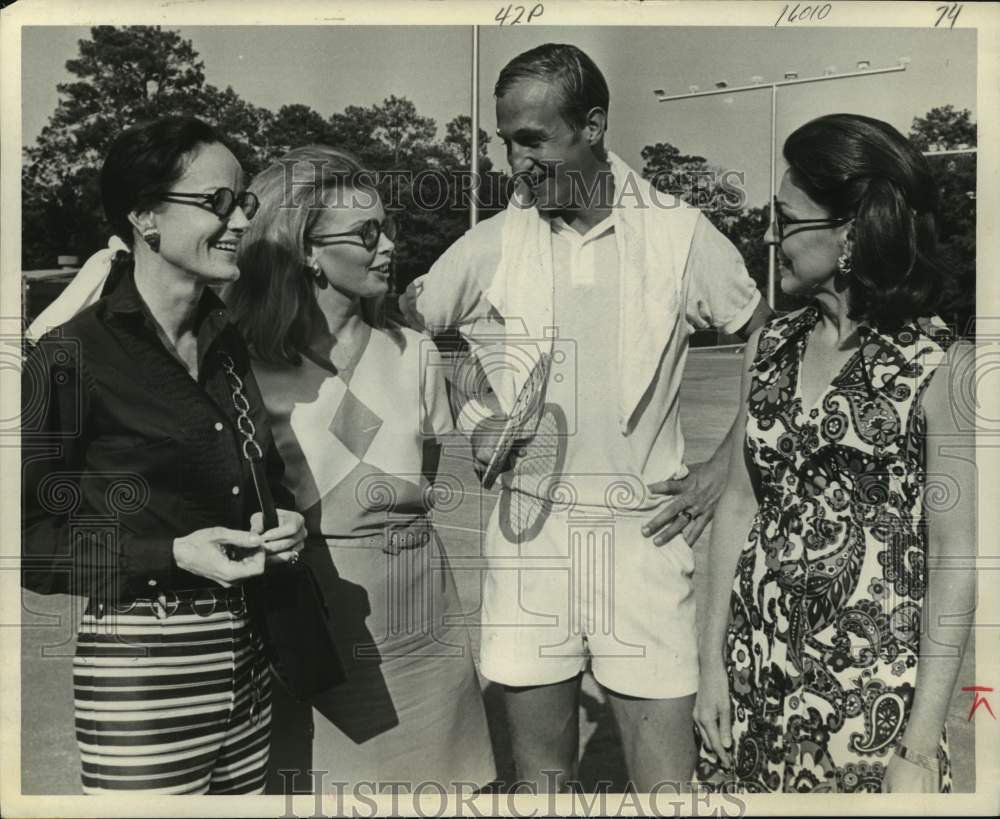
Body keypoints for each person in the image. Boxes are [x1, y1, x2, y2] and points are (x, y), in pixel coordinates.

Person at [398, 43, 772, 791]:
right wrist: (476, 403)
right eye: (507, 141)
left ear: (593, 125)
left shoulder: (678, 233)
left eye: (532, 140)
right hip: (529, 539)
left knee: (667, 791)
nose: (515, 161)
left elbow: (769, 336)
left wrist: (725, 462)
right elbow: (406, 322)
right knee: (541, 789)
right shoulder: (495, 240)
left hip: (646, 538)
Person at [21, 115, 306, 794]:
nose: (240, 221)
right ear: (146, 217)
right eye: (217, 202)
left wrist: (284, 517)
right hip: (143, 671)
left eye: (244, 202)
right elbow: (24, 537)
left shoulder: (228, 344)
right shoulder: (70, 354)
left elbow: (259, 478)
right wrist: (171, 553)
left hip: (249, 658)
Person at [693, 113, 976, 793]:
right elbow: (737, 506)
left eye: (785, 219)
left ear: (850, 232)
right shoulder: (767, 348)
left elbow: (956, 562)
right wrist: (709, 669)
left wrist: (914, 751)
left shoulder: (945, 368)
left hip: (871, 714)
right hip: (751, 683)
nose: (768, 235)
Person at [227, 145, 496, 790]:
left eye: (389, 229)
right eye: (367, 233)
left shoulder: (417, 353)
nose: (388, 247)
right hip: (312, 622)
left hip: (425, 617)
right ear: (306, 251)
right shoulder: (243, 363)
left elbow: (425, 474)